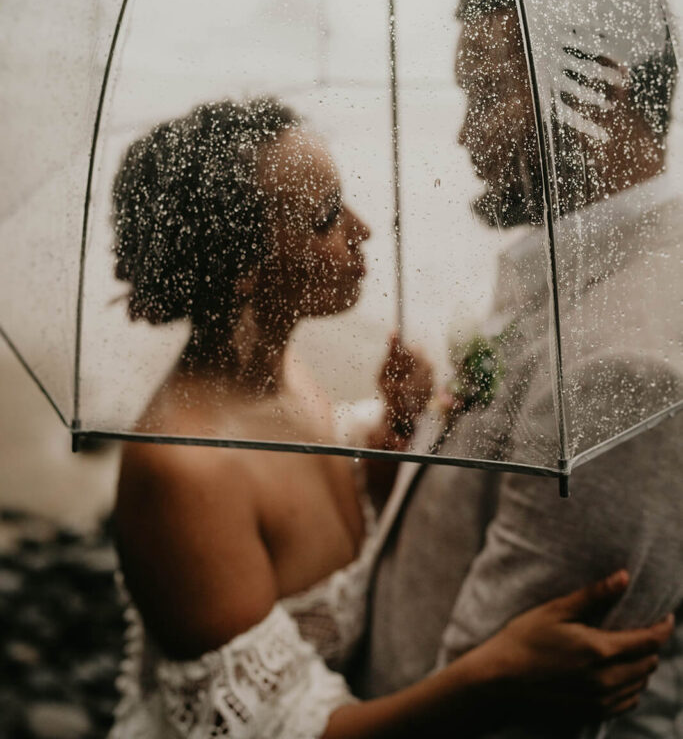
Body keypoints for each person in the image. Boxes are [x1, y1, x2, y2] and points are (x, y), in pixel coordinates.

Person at [108, 96, 670, 738]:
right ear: (244, 269)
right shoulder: (183, 471)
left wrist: (390, 441)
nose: (363, 228)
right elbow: (282, 729)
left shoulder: (283, 377)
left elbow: (315, 542)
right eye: (324, 218)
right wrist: (495, 675)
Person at [361, 0, 683, 737]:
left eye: (488, 92)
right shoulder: (570, 283)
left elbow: (503, 714)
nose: (466, 137)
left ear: (596, 91)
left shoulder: (623, 360)